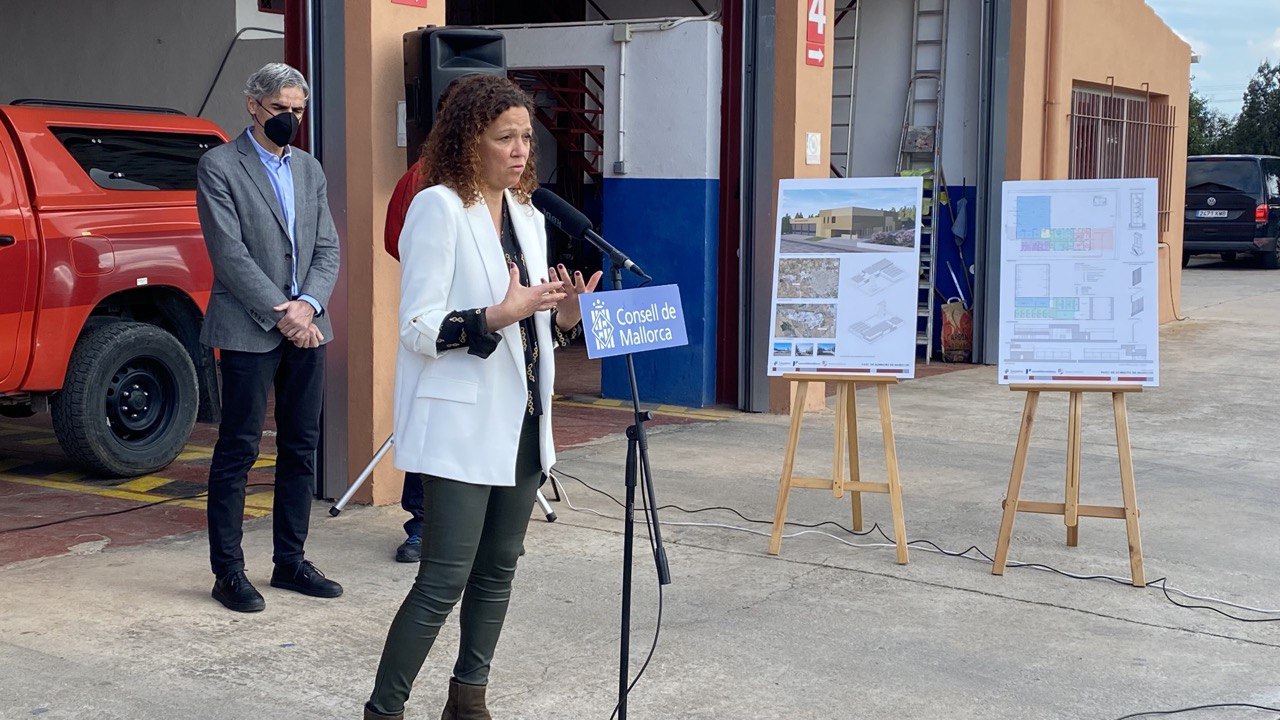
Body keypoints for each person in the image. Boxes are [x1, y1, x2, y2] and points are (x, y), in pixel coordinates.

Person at [364, 74, 602, 720]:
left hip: (523, 421)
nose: (521, 150)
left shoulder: (528, 214)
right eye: (506, 138)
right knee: (442, 579)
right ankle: (384, 709)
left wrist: (564, 316)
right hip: (461, 427)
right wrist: (497, 315)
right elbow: (418, 328)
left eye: (527, 137)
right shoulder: (437, 206)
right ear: (471, 140)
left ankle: (468, 701)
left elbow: (533, 319)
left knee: (499, 569)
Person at [196, 62, 343, 613]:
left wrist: (308, 307)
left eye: (299, 110)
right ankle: (228, 572)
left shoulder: (309, 169)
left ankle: (290, 561)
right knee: (238, 449)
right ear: (253, 106)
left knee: (301, 448)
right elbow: (228, 253)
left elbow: (327, 247)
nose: (291, 119)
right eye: (282, 109)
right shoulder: (219, 166)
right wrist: (282, 313)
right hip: (248, 328)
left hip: (308, 327)